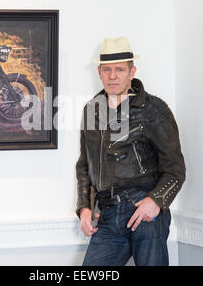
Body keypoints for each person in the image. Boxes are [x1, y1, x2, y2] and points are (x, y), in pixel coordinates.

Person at [75, 36, 186, 266]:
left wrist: (155, 201)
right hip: (107, 214)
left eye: (119, 70)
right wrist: (84, 208)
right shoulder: (91, 111)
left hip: (144, 210)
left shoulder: (155, 110)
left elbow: (175, 169)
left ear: (131, 71)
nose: (112, 76)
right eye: (107, 70)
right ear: (99, 72)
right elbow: (84, 166)